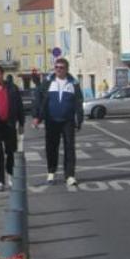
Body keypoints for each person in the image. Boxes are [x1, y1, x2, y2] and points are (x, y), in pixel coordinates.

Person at [33, 58, 84, 187]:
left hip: (68, 121)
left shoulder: (74, 83)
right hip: (51, 120)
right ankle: (51, 172)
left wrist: (79, 119)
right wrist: (37, 117)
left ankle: (70, 175)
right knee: (51, 147)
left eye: (61, 67)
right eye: (56, 67)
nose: (58, 70)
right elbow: (39, 99)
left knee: (70, 148)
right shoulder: (48, 82)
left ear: (66, 69)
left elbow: (78, 102)